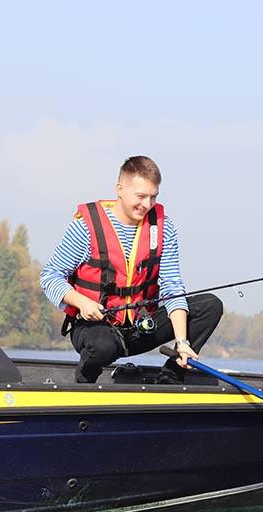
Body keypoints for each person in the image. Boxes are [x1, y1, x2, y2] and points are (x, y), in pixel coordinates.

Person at [40, 156, 223, 384]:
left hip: (141, 326)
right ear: (120, 189)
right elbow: (50, 276)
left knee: (210, 305)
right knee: (103, 347)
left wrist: (182, 343)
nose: (147, 204)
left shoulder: (164, 228)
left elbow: (172, 287)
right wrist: (82, 302)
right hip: (96, 329)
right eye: (141, 196)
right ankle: (84, 380)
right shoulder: (85, 227)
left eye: (153, 197)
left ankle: (171, 377)